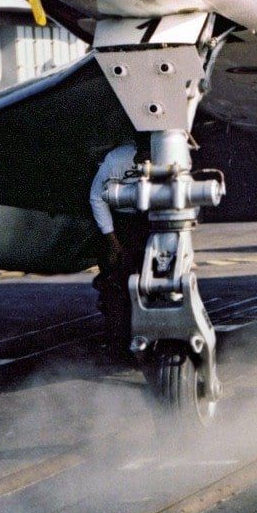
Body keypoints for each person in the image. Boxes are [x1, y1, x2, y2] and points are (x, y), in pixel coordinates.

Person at [88, 135, 152, 360]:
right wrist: (114, 242)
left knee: (148, 280)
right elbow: (97, 197)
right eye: (143, 155)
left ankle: (148, 338)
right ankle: (117, 343)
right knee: (114, 283)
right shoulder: (117, 160)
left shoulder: (163, 160)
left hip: (145, 219)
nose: (145, 160)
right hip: (118, 221)